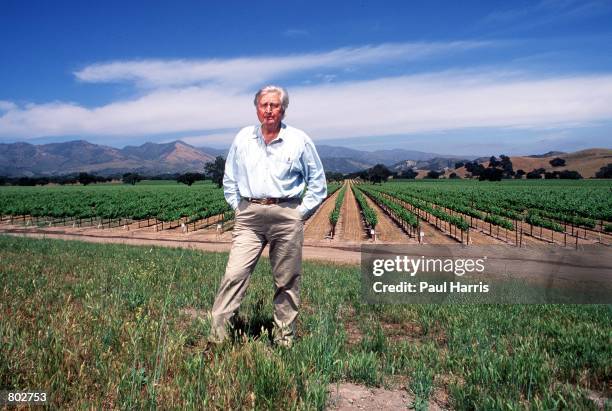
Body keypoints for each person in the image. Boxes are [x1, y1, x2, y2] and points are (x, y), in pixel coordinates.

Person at [210, 85, 327, 347]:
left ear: (283, 109)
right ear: (256, 108)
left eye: (275, 105)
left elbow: (318, 183)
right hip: (249, 216)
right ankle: (218, 338)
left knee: (286, 279)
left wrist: (299, 213)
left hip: (286, 214)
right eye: (264, 105)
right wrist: (237, 208)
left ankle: (284, 339)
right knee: (235, 275)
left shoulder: (299, 140)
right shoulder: (242, 138)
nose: (269, 110)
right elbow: (229, 178)